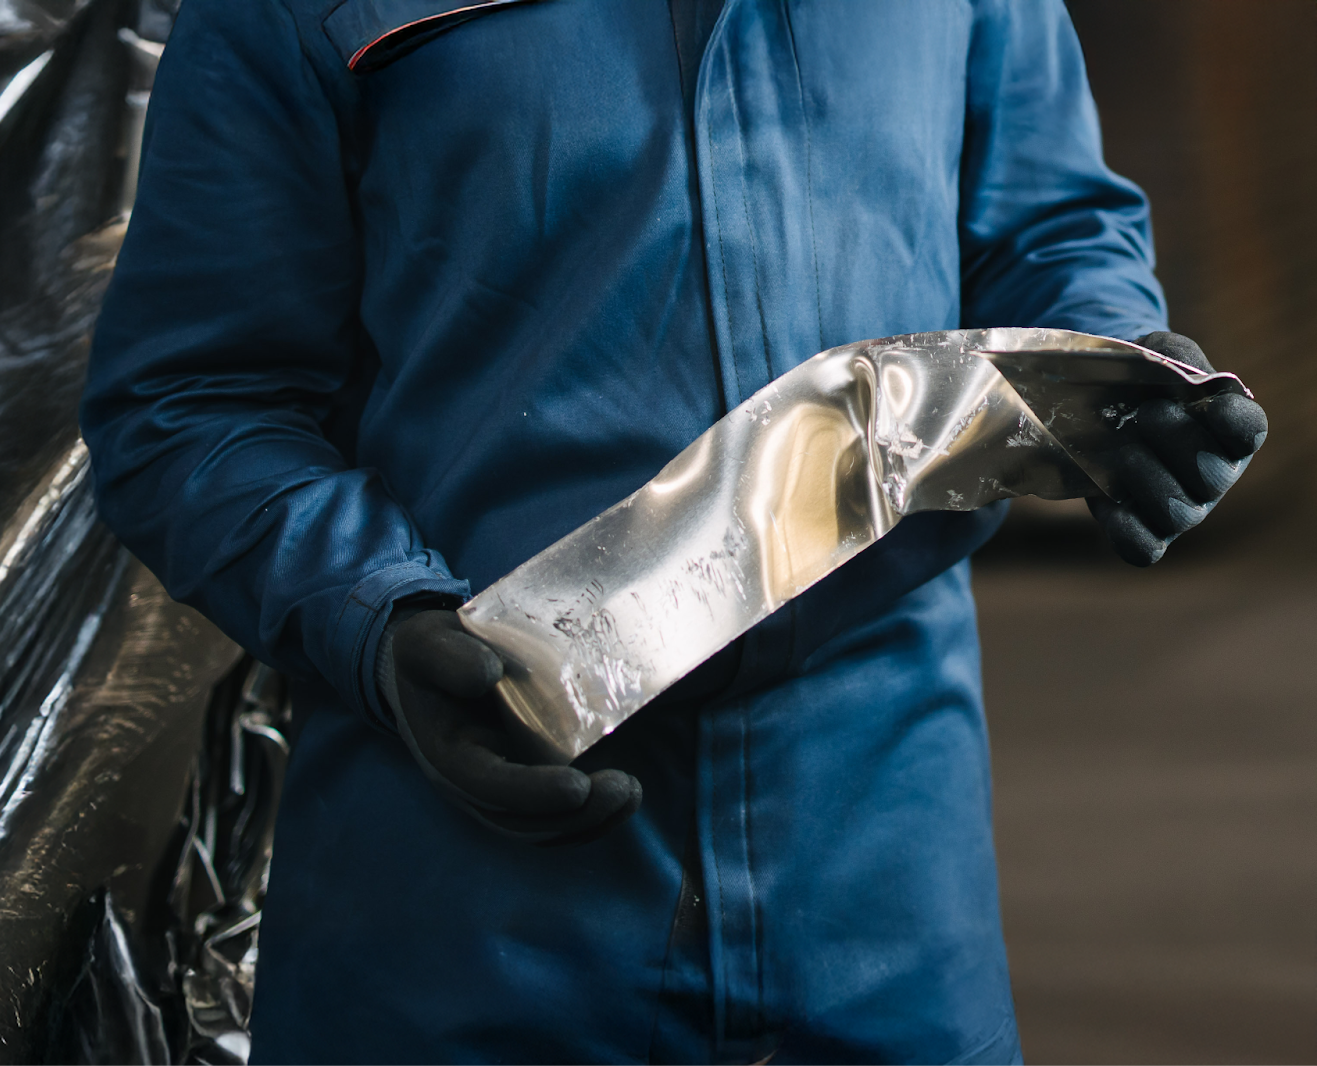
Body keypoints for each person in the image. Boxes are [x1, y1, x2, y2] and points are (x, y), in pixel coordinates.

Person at [80, 2, 1265, 1062]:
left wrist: (1119, 372)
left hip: (883, 859)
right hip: (469, 885)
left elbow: (1047, 229)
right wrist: (379, 622)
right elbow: (192, 402)